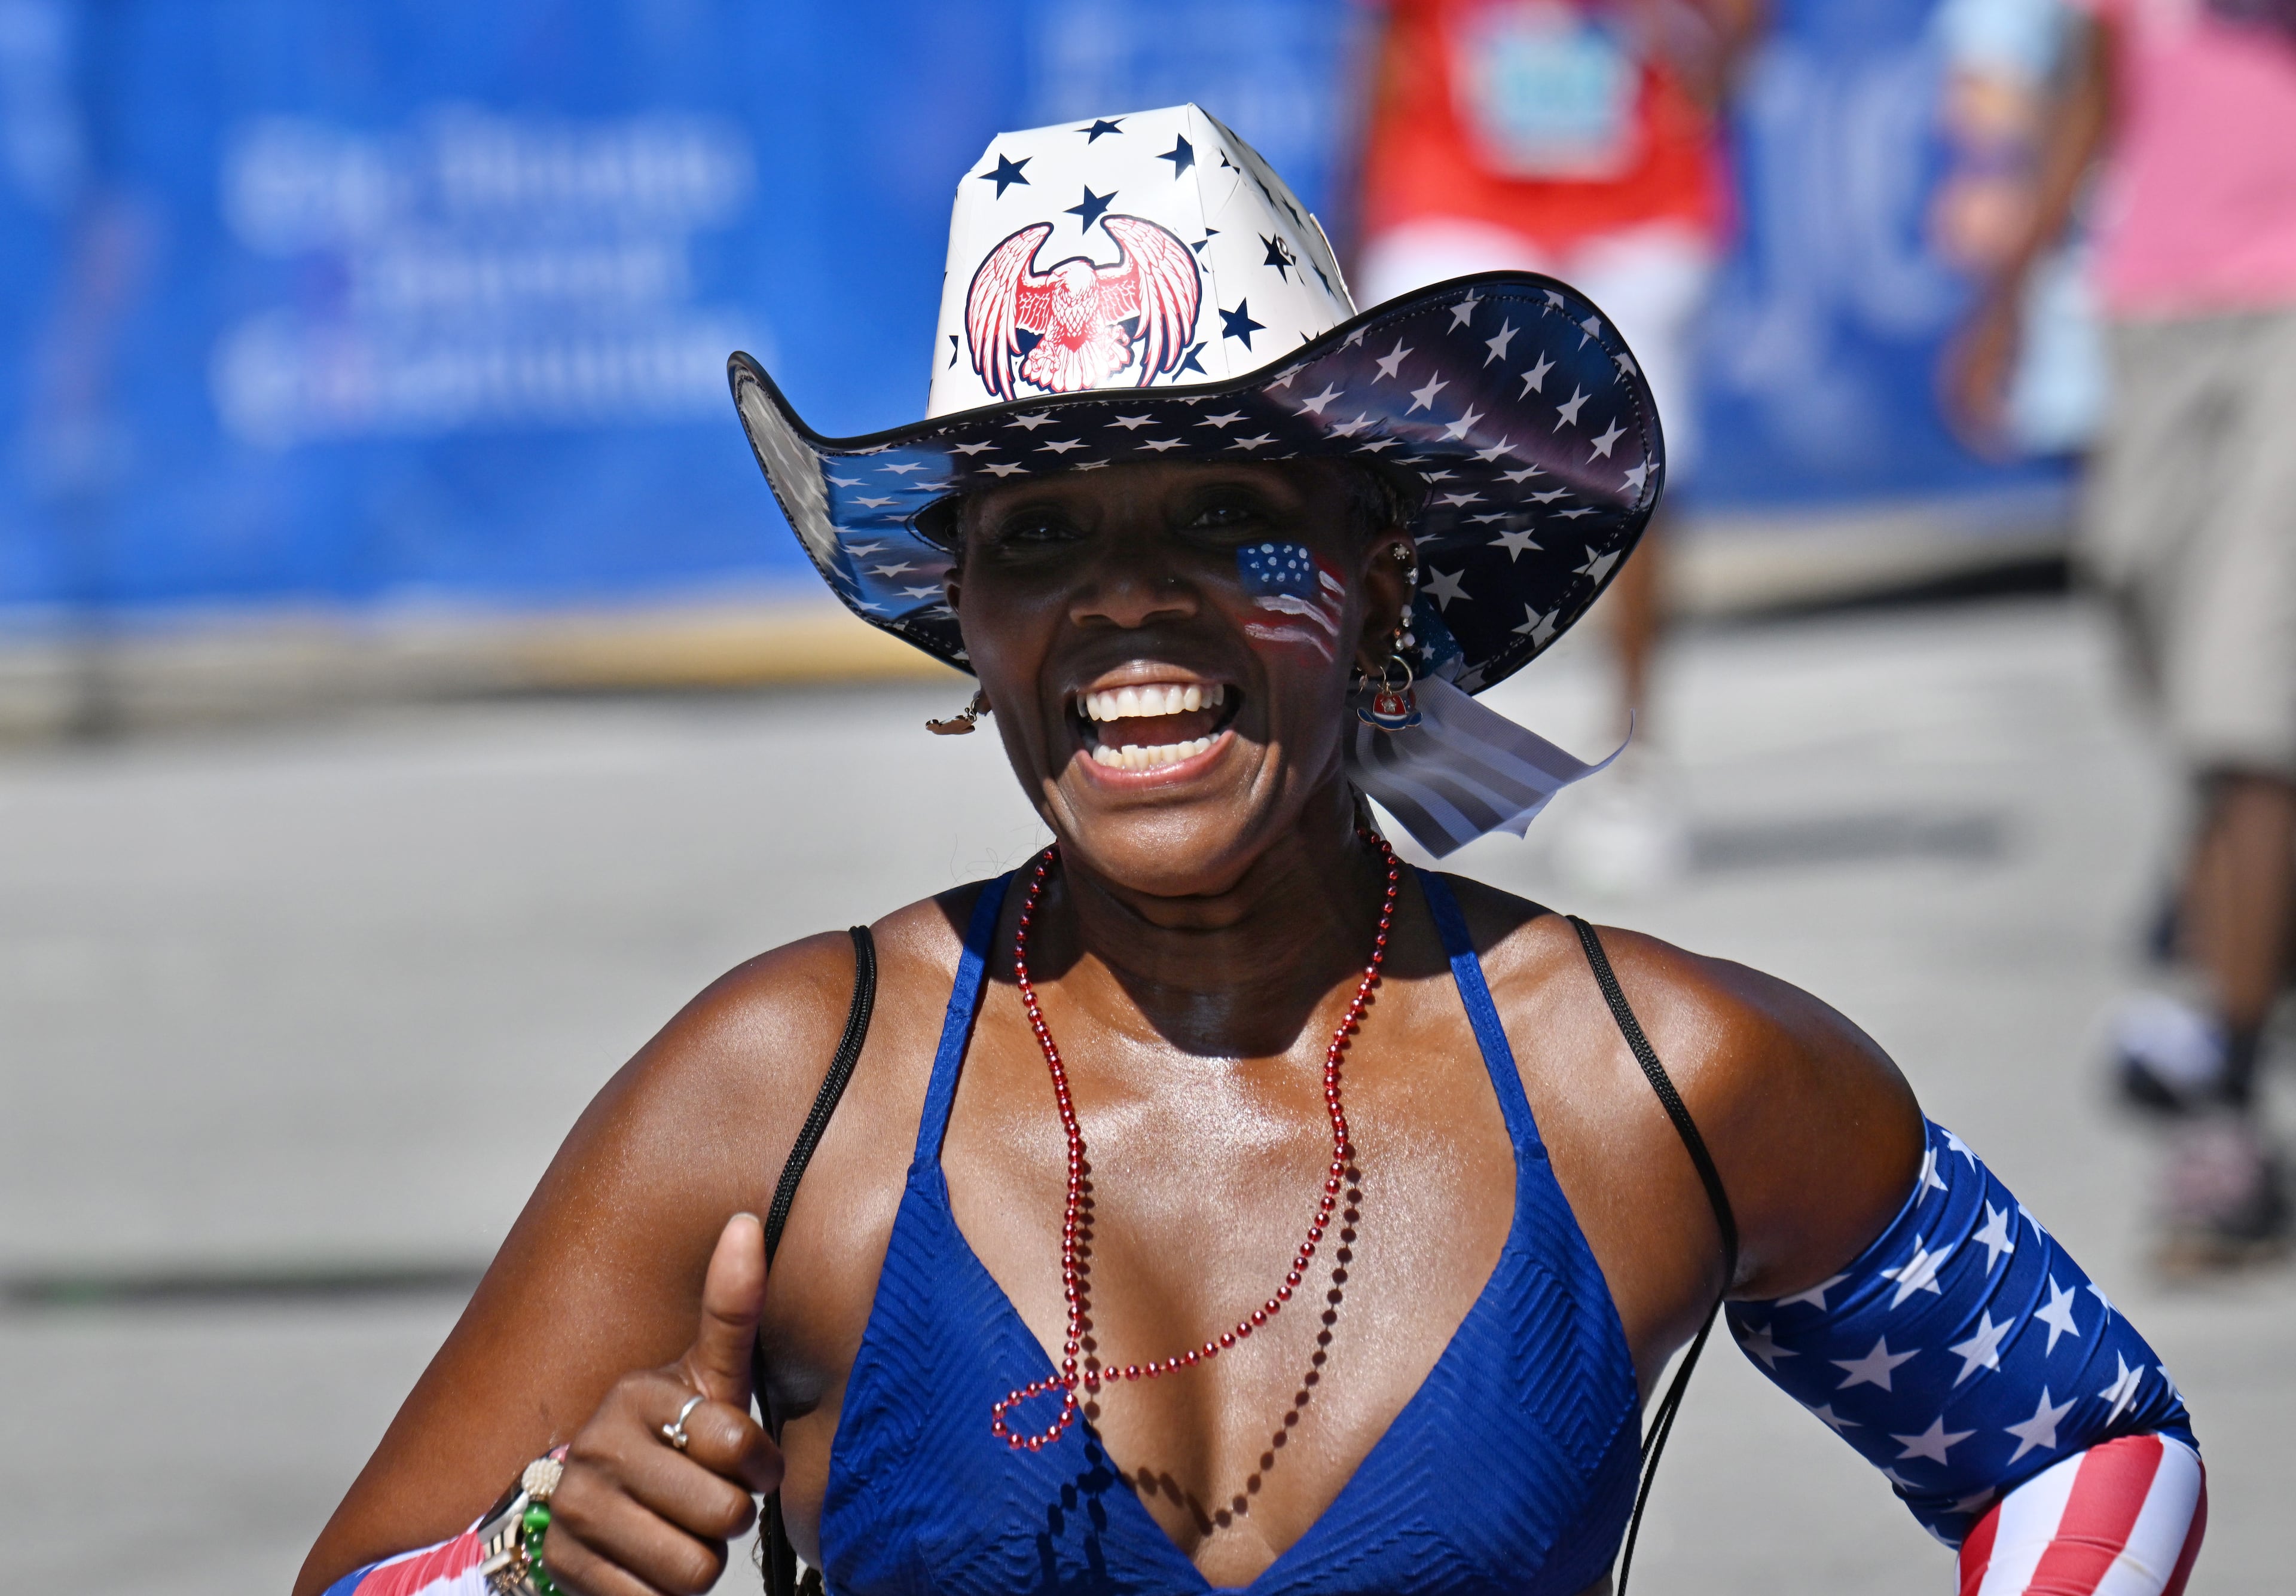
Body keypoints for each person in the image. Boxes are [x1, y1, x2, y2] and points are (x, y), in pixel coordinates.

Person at [301, 105, 2203, 1596]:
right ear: (967, 615)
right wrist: (541, 1552)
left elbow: (2083, 1443)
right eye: (1041, 535)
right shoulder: (786, 1095)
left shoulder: (1655, 1081)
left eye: (1228, 516)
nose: (1133, 601)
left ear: (1377, 575)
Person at [1947, 0, 2296, 1270]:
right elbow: (2098, 95)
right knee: (2165, 653)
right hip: (2150, 317)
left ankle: (2228, 1109)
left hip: (2288, 314)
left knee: (2245, 711)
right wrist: (2008, 292)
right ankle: (2254, 935)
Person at [1354, 0, 1767, 893]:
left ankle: (1633, 767)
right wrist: (1359, 211)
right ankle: (1403, 740)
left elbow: (1739, 29)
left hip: (1639, 203)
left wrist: (1701, 60)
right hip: (1453, 190)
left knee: (1641, 477)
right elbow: (1385, 39)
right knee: (1392, 468)